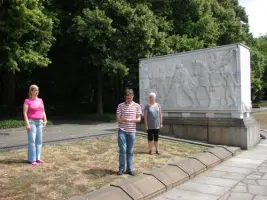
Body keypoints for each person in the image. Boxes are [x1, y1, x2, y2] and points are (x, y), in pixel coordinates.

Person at [116, 88, 142, 176]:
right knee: (122, 150)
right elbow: (118, 119)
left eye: (130, 98)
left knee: (130, 151)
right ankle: (121, 169)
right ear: (125, 97)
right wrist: (124, 119)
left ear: (133, 96)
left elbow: (139, 119)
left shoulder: (137, 106)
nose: (128, 100)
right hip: (122, 131)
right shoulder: (120, 106)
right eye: (127, 98)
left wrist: (132, 120)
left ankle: (130, 169)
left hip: (132, 131)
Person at [23, 85, 47, 166]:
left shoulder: (40, 100)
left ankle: (38, 158)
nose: (37, 92)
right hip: (31, 122)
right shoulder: (27, 101)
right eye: (35, 90)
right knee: (32, 141)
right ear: (31, 91)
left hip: (39, 122)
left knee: (39, 141)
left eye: (38, 90)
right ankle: (31, 159)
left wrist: (45, 119)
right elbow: (25, 113)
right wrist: (27, 123)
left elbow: (43, 111)